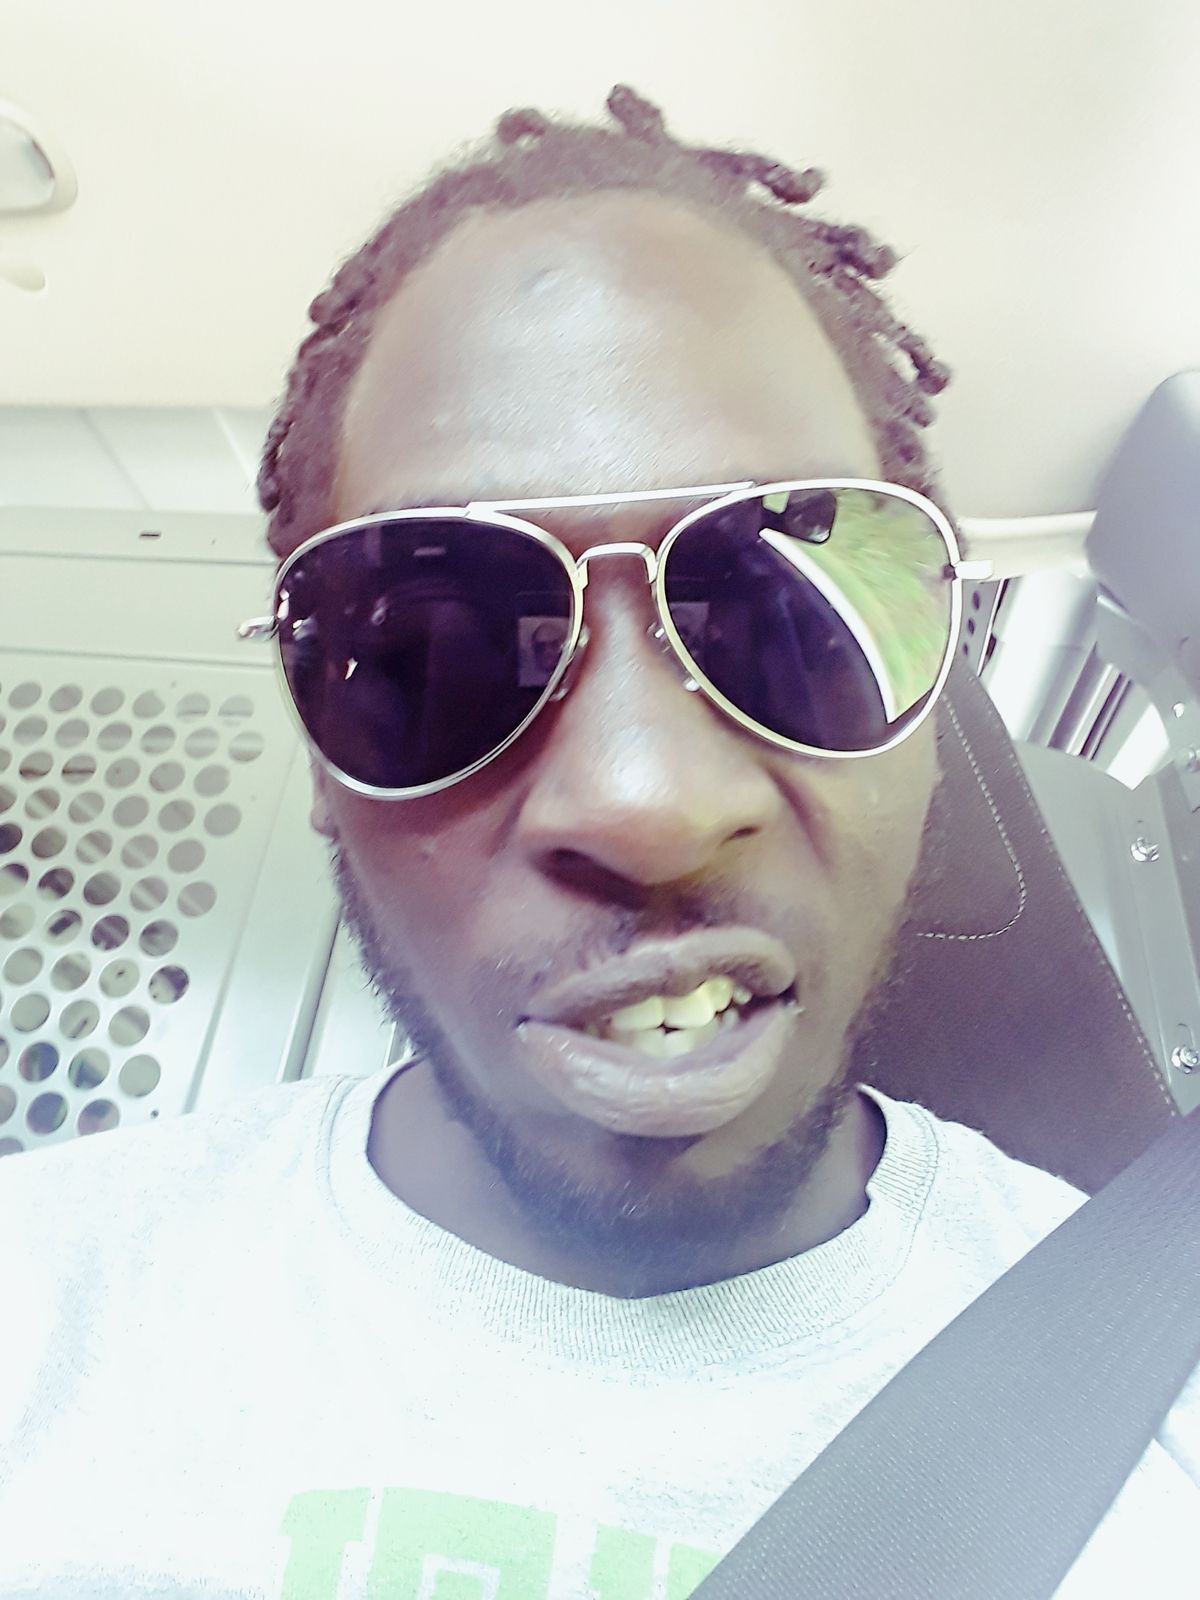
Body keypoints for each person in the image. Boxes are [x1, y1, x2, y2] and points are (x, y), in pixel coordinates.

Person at [1, 86, 1196, 1600]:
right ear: (318, 757)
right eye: (437, 650)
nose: (648, 802)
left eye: (776, 619)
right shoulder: (40, 1309)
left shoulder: (1167, 1420)